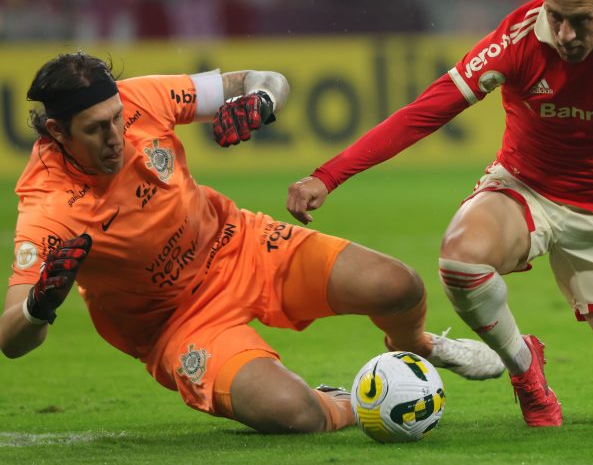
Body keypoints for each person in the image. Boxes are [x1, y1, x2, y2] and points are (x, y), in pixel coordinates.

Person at [286, 0, 593, 427]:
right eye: (555, 16)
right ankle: (524, 367)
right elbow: (425, 113)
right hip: (525, 191)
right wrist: (329, 175)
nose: (566, 34)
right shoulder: (515, 40)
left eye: (581, 21)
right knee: (460, 256)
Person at [0, 52, 504, 435]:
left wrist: (260, 101)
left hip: (239, 243)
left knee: (398, 285)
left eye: (115, 118)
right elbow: (12, 338)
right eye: (95, 129)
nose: (115, 135)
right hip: (177, 323)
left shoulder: (140, 99)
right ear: (55, 131)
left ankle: (417, 346)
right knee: (295, 414)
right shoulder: (48, 206)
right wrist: (41, 306)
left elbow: (266, 80)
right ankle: (354, 401)